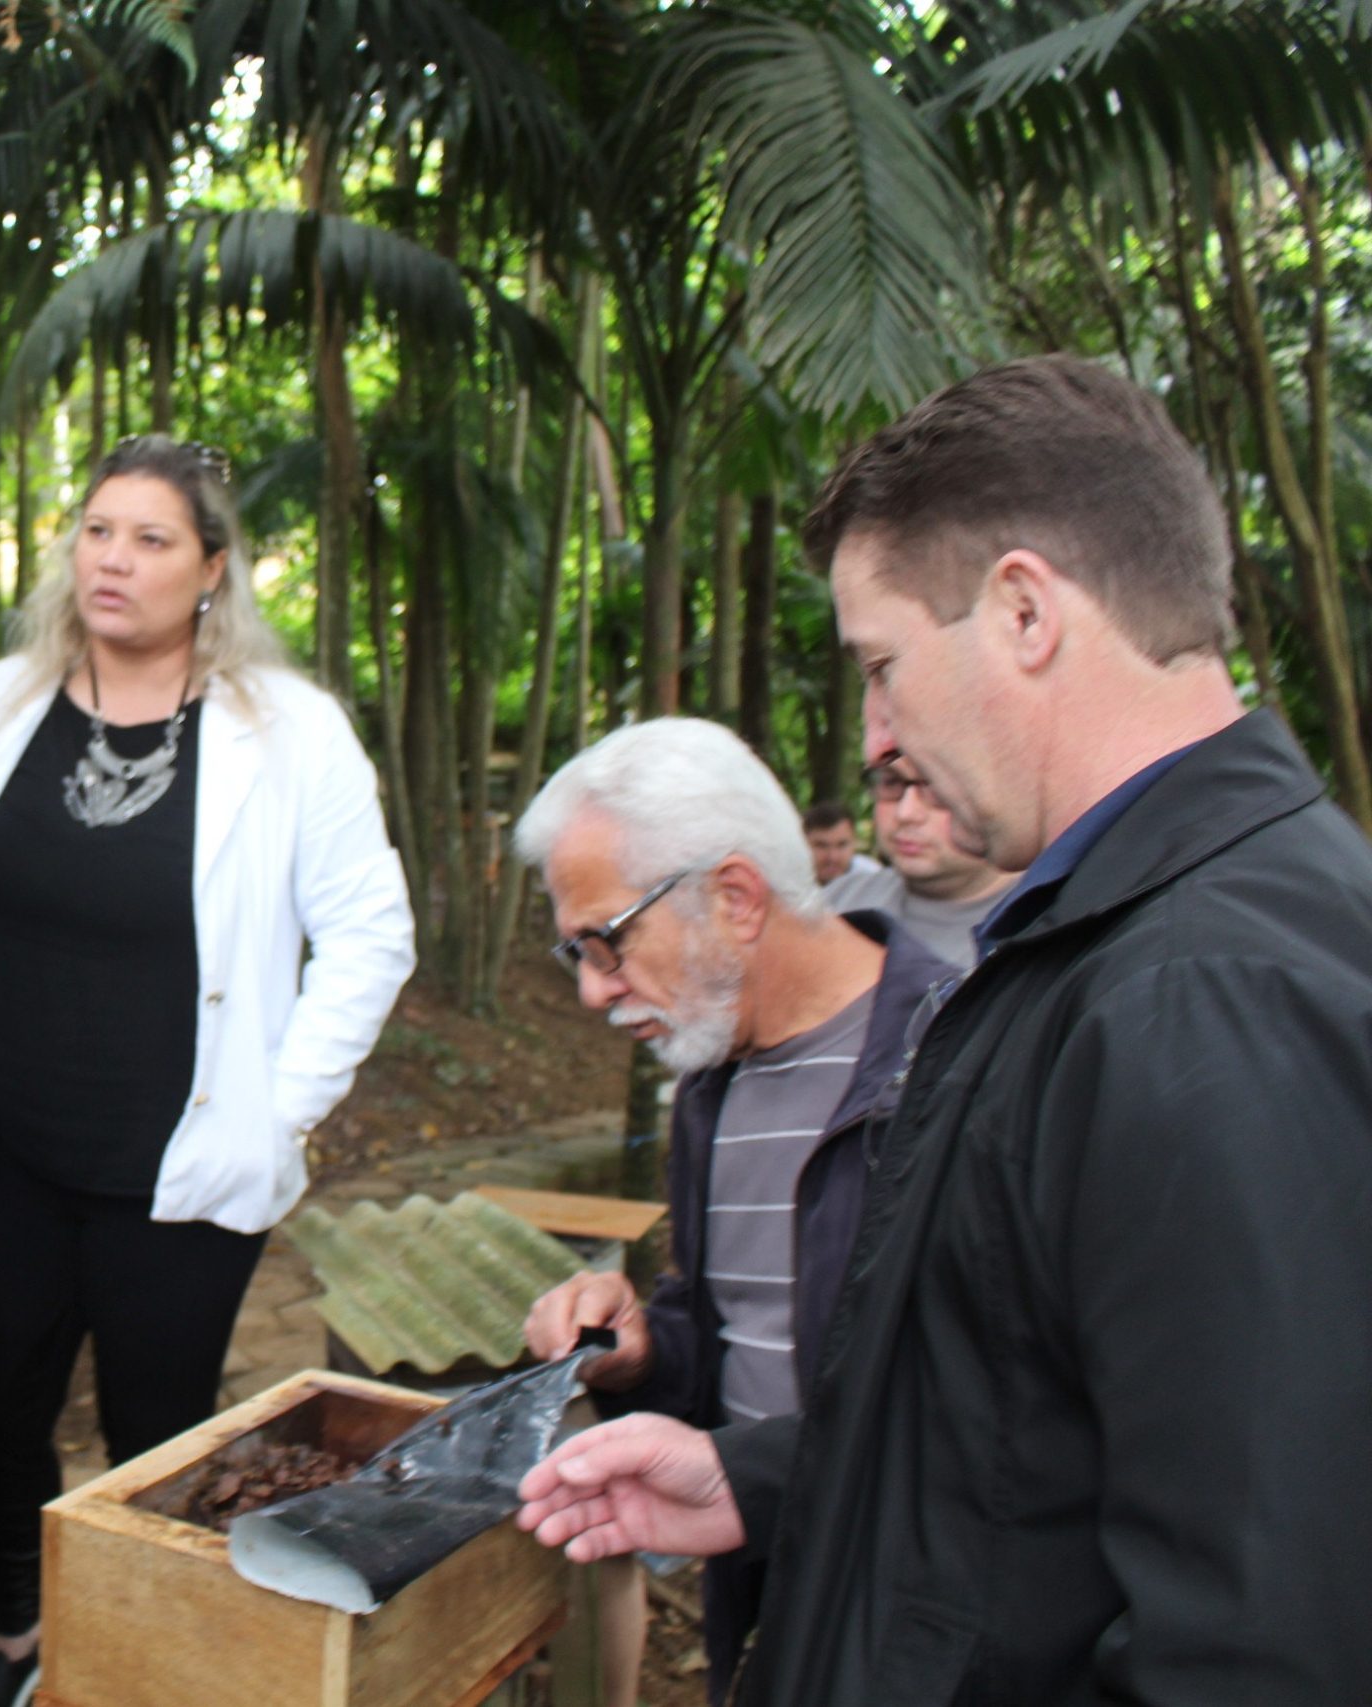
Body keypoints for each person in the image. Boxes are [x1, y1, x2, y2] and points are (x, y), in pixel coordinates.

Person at [518, 355, 1372, 1703]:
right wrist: (754, 1474)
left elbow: (1262, 1627)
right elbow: (1026, 1442)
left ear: (1025, 609)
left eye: (882, 663)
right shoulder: (1101, 941)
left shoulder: (1206, 990)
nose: (877, 731)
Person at [0, 435, 416, 1707]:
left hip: (179, 1174)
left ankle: (135, 1665)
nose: (114, 560)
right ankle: (27, 1631)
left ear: (210, 570)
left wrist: (278, 1107)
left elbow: (370, 930)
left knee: (158, 1439)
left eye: (150, 539)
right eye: (97, 531)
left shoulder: (289, 733)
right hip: (6, 1150)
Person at [513, 717, 950, 1701]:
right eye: (572, 953)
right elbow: (732, 1331)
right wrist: (641, 1349)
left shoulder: (955, 1071)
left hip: (916, 1629)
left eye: (606, 942)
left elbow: (978, 1411)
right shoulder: (712, 1081)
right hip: (758, 1595)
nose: (590, 990)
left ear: (736, 896)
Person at [817, 752, 1014, 970]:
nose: (905, 813)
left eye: (938, 787)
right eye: (891, 782)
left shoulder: (1033, 930)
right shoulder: (838, 899)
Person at [799, 801, 874, 885]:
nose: (833, 857)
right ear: (802, 844)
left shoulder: (872, 879)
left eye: (842, 845)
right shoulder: (787, 879)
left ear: (854, 843)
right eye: (821, 846)